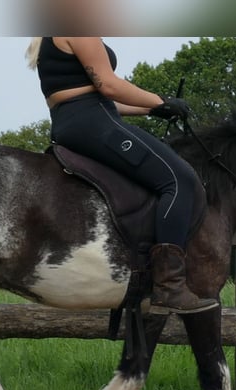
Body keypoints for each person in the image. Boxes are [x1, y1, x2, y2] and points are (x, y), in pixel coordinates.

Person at [26, 37, 217, 314]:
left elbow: (97, 96)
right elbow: (109, 84)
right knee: (179, 181)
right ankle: (170, 286)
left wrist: (155, 109)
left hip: (77, 120)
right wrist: (161, 99)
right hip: (94, 123)